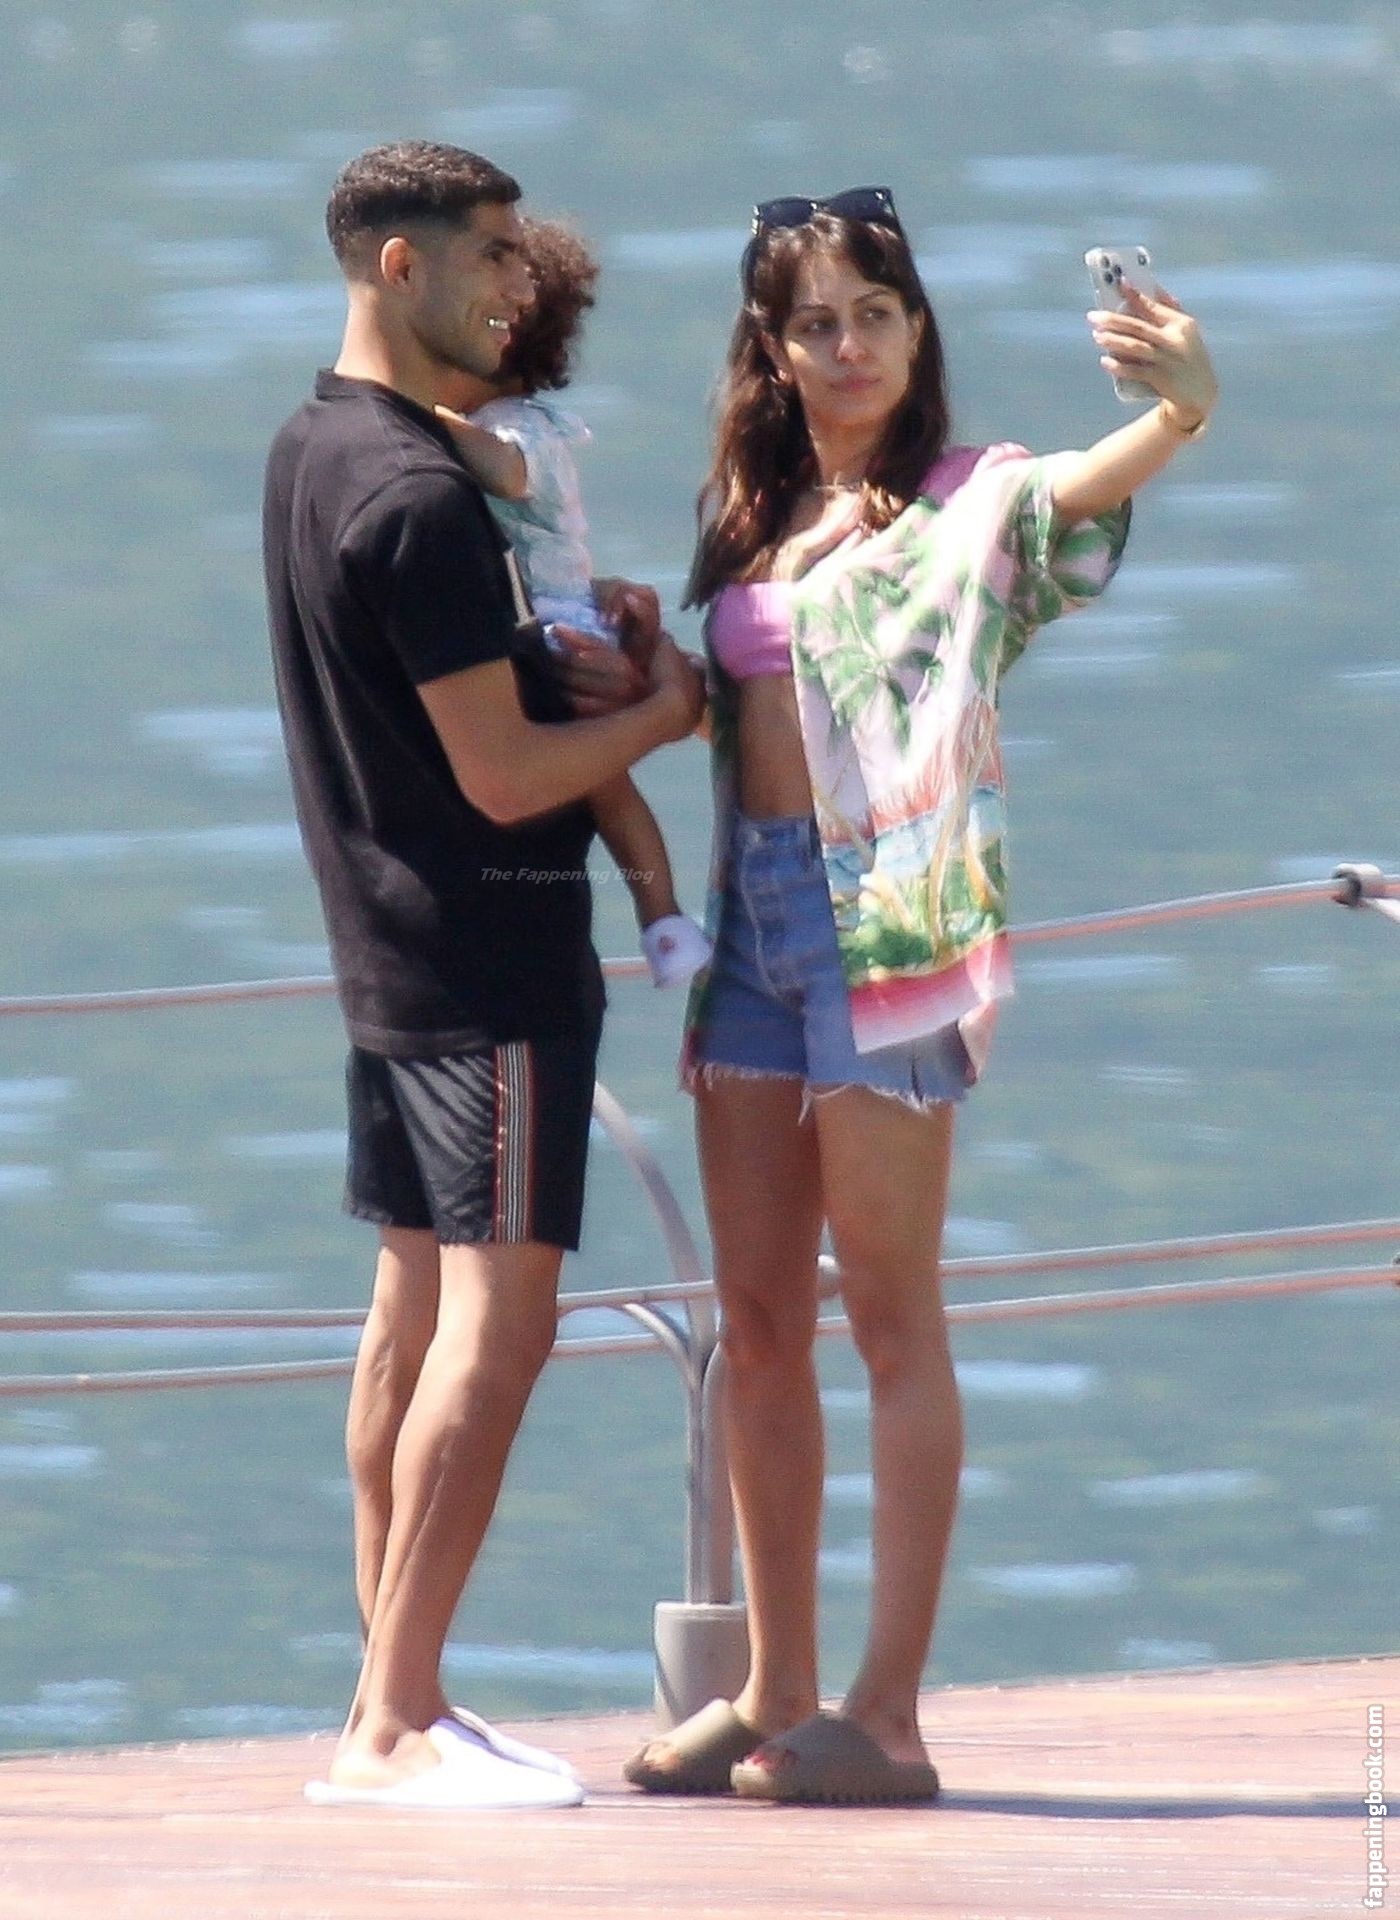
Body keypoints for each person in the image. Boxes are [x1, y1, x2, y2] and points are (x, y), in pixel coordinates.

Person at [623, 185, 1218, 1805]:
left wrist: (1178, 409)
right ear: (773, 346)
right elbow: (736, 699)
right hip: (753, 928)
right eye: (817, 322)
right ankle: (775, 1689)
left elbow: (1071, 499)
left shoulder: (966, 501)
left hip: (889, 930)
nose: (849, 346)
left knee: (891, 1314)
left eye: (875, 315)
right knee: (756, 1322)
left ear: (916, 329)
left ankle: (887, 1716)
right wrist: (646, 661)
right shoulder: (753, 513)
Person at [261, 140, 702, 1811]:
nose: (522, 283)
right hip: (488, 959)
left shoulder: (316, 449)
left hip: (386, 954)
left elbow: (453, 700)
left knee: (408, 1319)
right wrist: (672, 710)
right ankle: (394, 1723)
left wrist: (568, 653)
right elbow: (509, 777)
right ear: (403, 265)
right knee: (499, 1333)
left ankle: (393, 1699)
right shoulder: (420, 500)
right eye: (496, 254)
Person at [436, 217, 712, 990]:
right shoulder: (514, 421)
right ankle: (664, 923)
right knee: (606, 790)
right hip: (560, 606)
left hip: (560, 630)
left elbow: (504, 472)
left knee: (606, 784)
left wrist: (405, 408)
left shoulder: (517, 429)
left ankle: (664, 919)